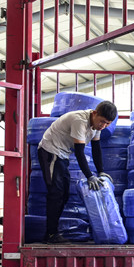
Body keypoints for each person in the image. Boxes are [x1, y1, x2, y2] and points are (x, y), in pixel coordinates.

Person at [37, 100, 118, 244]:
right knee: (56, 193)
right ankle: (51, 234)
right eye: (102, 122)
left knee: (64, 194)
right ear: (94, 113)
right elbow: (80, 153)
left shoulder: (97, 127)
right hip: (50, 151)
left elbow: (96, 148)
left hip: (62, 154)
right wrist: (90, 176)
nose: (103, 126)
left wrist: (101, 172)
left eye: (107, 124)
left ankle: (52, 233)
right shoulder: (79, 121)